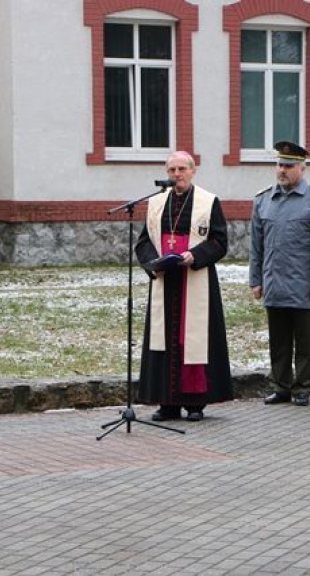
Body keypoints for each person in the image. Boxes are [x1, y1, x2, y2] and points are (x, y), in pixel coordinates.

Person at [135, 151, 232, 422]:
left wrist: (195, 256)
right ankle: (167, 403)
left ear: (193, 171)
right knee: (164, 340)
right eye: (172, 170)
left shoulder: (208, 201)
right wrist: (152, 262)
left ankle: (195, 403)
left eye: (182, 169)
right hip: (165, 280)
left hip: (195, 280)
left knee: (192, 340)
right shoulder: (155, 203)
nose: (176, 174)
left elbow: (220, 242)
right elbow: (143, 241)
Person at [249, 141, 310, 407]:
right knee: (279, 341)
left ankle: (303, 387)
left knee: (304, 341)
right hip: (274, 282)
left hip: (303, 284)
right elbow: (256, 246)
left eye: (288, 166)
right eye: (279, 165)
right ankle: (282, 386)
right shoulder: (264, 200)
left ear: (302, 168)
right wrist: (255, 280)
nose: (282, 170)